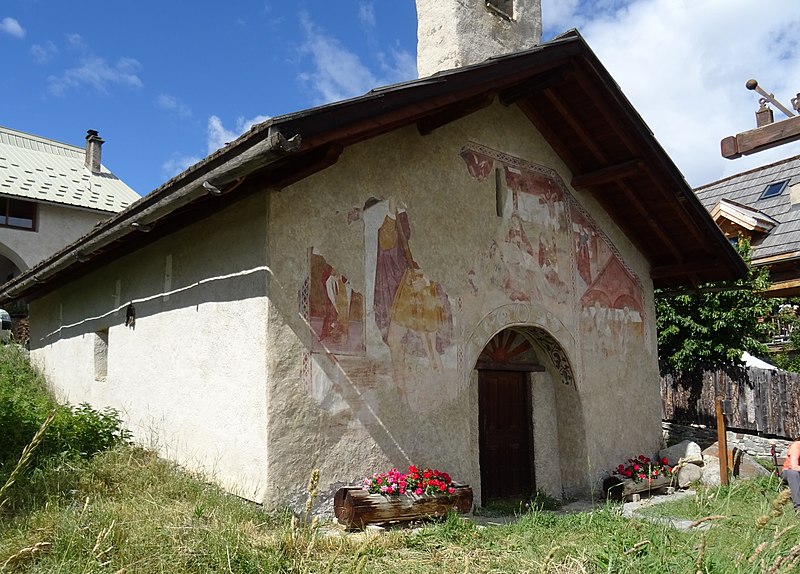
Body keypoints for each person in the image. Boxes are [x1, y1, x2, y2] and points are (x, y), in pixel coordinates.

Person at [781, 439, 800, 511]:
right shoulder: (796, 446)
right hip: (788, 472)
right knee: (794, 474)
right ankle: (798, 508)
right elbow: (794, 467)